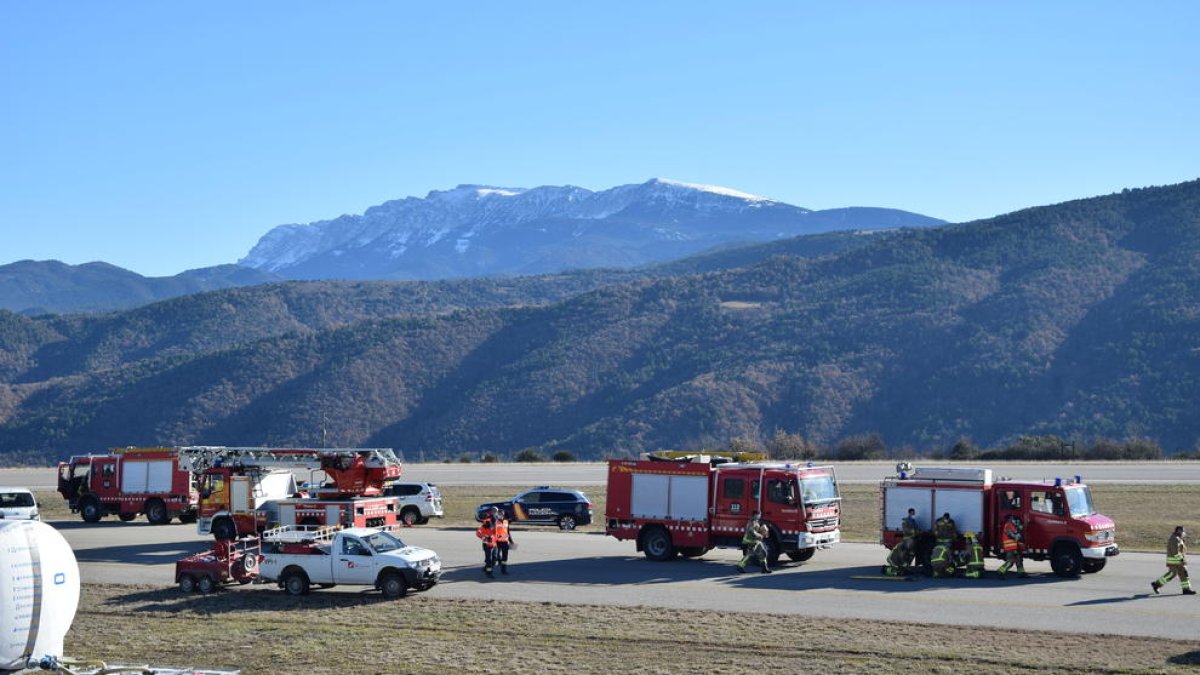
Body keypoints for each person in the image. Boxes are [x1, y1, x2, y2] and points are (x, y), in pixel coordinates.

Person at [1151, 525, 1194, 595]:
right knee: (1172, 574)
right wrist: (1181, 560)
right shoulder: (1174, 539)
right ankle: (1156, 584)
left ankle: (1186, 589)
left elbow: (1181, 550)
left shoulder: (1179, 538)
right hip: (1174, 561)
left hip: (1179, 561)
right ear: (1179, 531)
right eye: (1183, 531)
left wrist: (1182, 559)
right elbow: (1175, 552)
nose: (1184, 533)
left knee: (1184, 574)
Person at [884, 508, 919, 576]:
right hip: (893, 560)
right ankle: (887, 570)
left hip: (911, 538)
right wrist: (915, 531)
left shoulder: (913, 521)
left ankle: (902, 569)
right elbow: (906, 530)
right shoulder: (905, 521)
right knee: (897, 569)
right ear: (909, 513)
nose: (913, 514)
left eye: (914, 513)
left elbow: (916, 529)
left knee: (909, 554)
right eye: (912, 513)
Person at [476, 506, 500, 578]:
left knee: (495, 559)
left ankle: (486, 568)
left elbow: (497, 533)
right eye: (495, 512)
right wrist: (485, 538)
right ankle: (489, 573)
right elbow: (478, 533)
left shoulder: (496, 522)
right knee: (489, 560)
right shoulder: (486, 523)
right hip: (487, 545)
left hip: (494, 544)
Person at [493, 508, 516, 575]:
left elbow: (507, 532)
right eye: (499, 514)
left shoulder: (506, 521)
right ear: (497, 514)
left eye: (502, 514)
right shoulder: (495, 522)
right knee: (495, 556)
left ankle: (503, 570)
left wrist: (511, 541)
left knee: (505, 557)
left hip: (505, 542)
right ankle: (488, 569)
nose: (501, 515)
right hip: (497, 542)